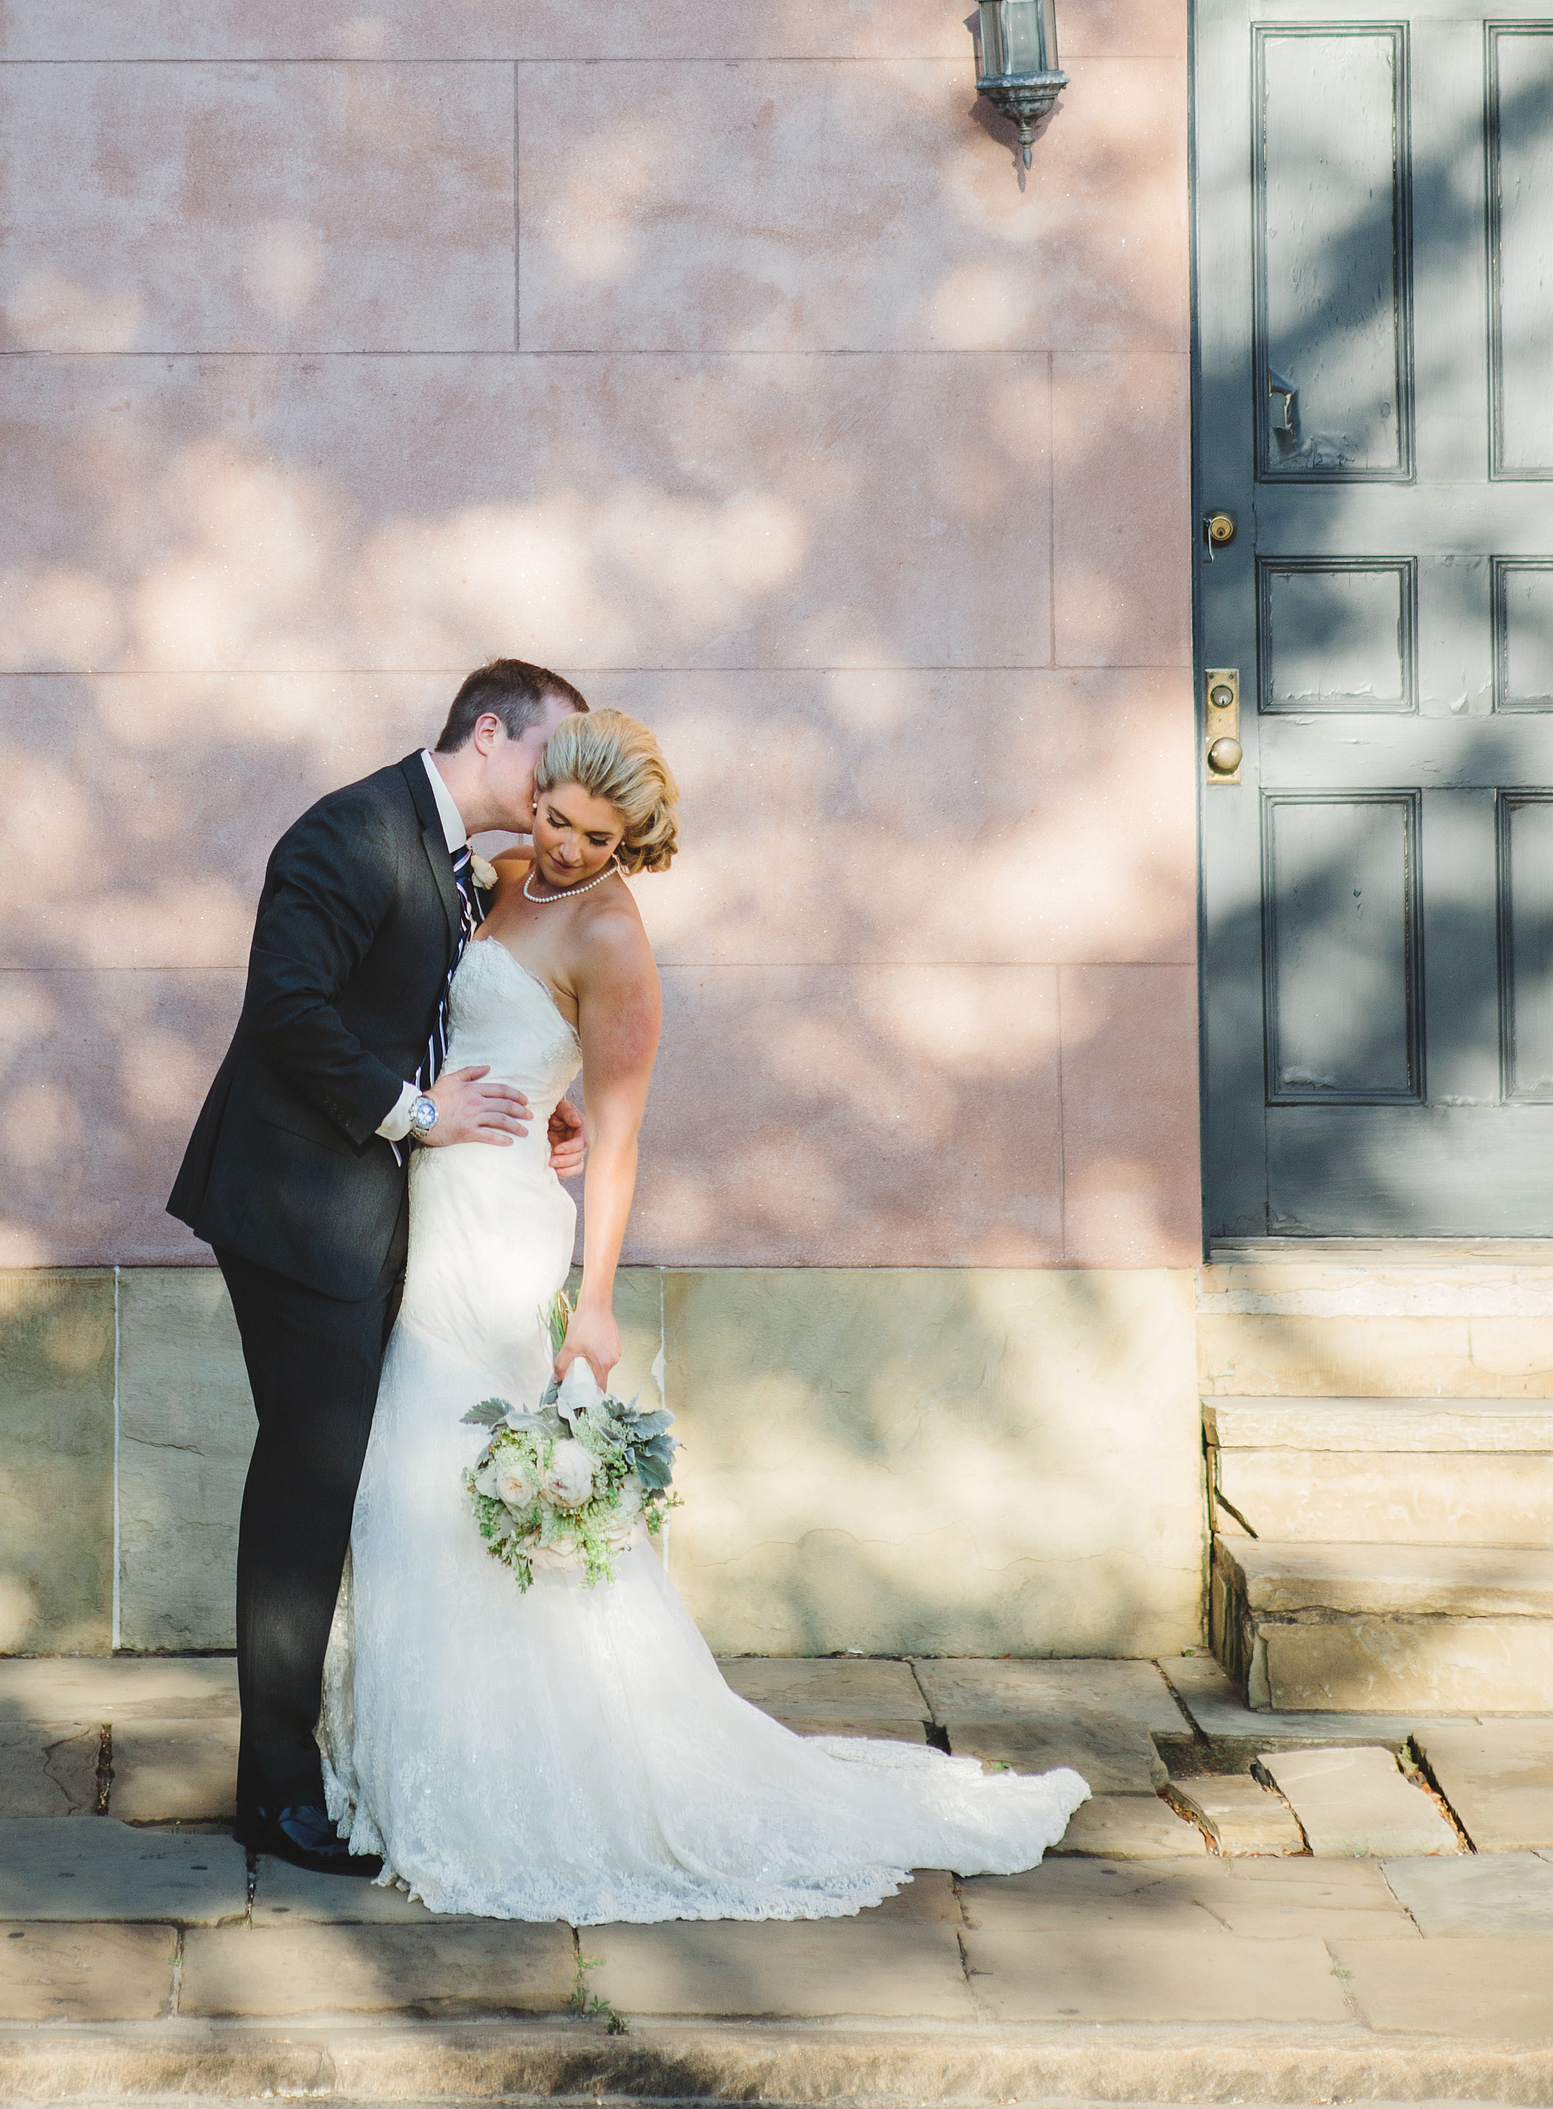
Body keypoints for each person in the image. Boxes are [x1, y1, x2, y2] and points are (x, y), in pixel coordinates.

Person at [319, 704, 1089, 1920]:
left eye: (592, 835)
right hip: (432, 1202)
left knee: (470, 1478)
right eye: (555, 819)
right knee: (409, 1481)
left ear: (636, 838)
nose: (563, 848)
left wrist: (597, 1308)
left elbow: (616, 1144)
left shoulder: (617, 941)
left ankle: (540, 1778)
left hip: (508, 1234)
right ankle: (414, 1765)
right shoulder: (508, 872)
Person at [168, 657, 590, 1874]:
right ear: (491, 731)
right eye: (547, 758)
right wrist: (417, 1113)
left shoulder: (459, 856)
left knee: (329, 1485)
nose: (556, 787)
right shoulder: (349, 832)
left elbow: (430, 1005)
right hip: (297, 1210)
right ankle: (276, 1796)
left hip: (362, 1211)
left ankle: (296, 1770)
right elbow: (286, 1008)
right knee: (306, 1489)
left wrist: (541, 1102)